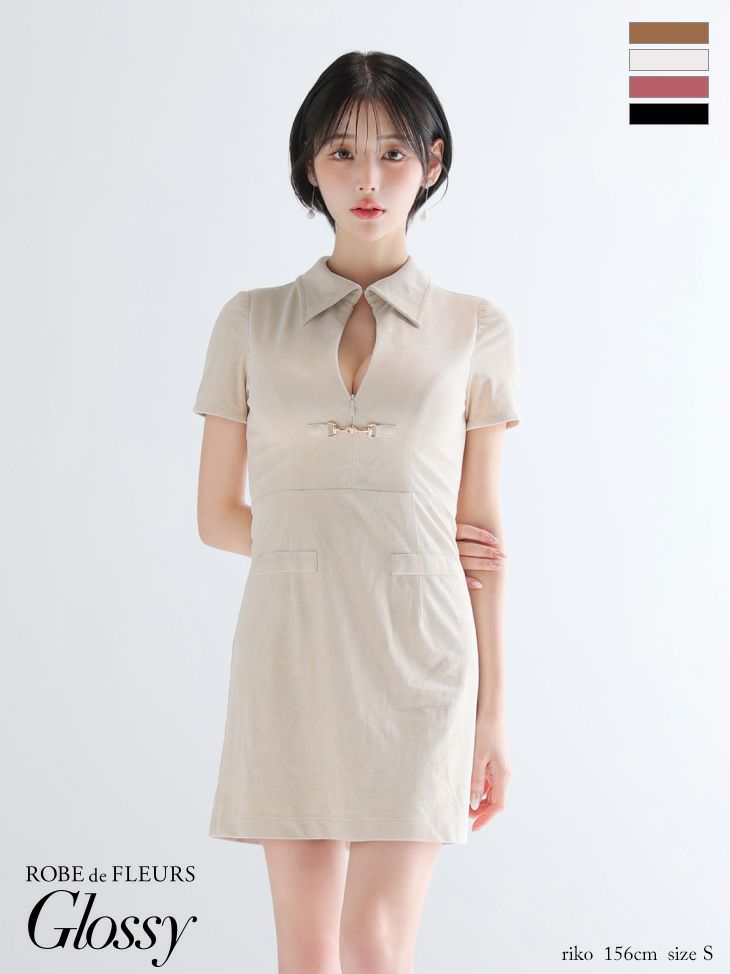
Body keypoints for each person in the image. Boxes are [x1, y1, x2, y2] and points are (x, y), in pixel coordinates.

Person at [193, 50, 521, 974]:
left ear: (433, 162)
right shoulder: (250, 321)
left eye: (392, 152)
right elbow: (217, 515)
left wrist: (495, 717)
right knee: (307, 952)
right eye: (342, 152)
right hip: (291, 650)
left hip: (422, 656)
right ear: (309, 163)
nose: (368, 179)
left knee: (374, 944)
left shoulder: (476, 328)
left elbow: (483, 542)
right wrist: (339, 544)